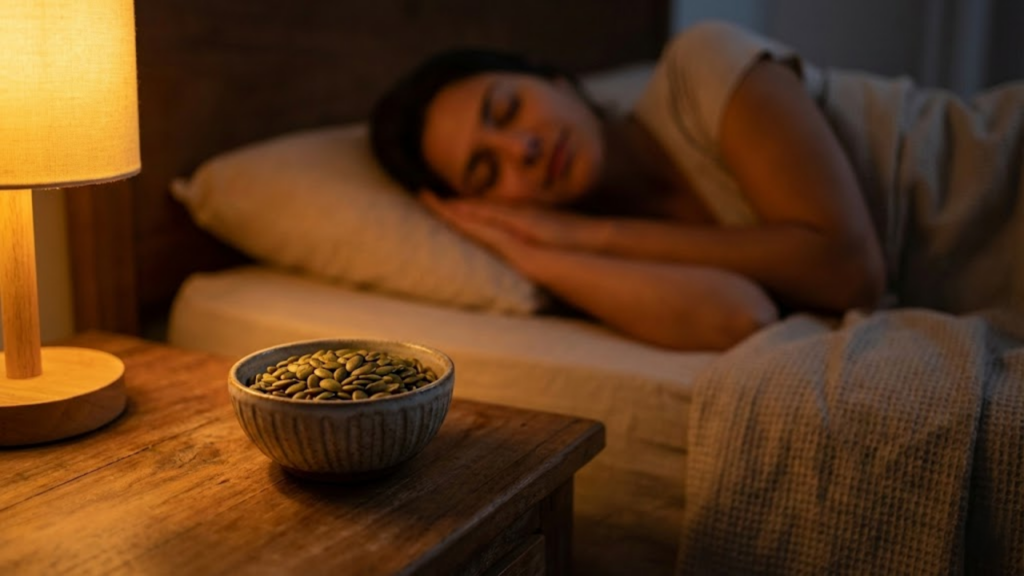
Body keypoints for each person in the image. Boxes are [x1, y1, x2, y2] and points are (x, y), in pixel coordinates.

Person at [370, 21, 1024, 351]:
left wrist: (590, 233)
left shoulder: (701, 67)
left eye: (508, 109)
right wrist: (535, 252)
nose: (524, 148)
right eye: (488, 171)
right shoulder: (615, 255)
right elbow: (740, 313)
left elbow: (847, 270)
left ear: (557, 80)